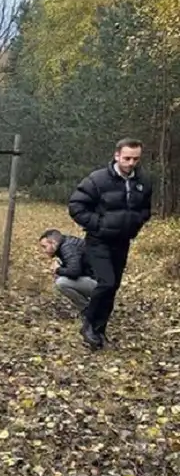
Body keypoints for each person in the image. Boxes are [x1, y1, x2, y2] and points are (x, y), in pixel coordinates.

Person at [68, 137, 152, 349]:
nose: (131, 163)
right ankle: (88, 322)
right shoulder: (98, 179)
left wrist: (135, 223)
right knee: (105, 282)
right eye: (127, 158)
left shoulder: (142, 182)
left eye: (135, 159)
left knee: (113, 286)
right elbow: (76, 206)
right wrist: (98, 224)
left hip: (122, 241)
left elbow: (145, 209)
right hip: (98, 241)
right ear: (116, 156)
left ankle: (98, 332)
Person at [38, 228, 96, 312]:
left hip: (100, 284)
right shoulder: (66, 244)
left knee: (61, 283)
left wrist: (58, 270)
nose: (44, 251)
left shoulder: (68, 248)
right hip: (99, 280)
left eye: (44, 247)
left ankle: (88, 310)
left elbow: (75, 272)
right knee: (61, 277)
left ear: (53, 243)